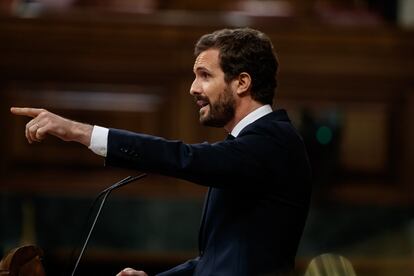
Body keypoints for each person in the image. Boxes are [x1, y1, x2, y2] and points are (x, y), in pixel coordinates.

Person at [11, 27, 312, 276]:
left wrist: (80, 132)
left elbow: (185, 158)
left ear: (242, 83)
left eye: (205, 76)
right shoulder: (251, 146)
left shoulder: (272, 141)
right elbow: (219, 260)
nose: (193, 88)